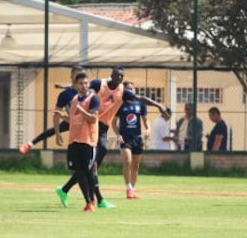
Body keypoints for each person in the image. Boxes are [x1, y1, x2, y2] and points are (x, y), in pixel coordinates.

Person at [55, 66, 169, 208]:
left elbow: (140, 98)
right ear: (111, 75)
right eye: (117, 75)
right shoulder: (99, 84)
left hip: (102, 127)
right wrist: (65, 86)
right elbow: (83, 85)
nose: (119, 78)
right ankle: (95, 199)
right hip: (90, 124)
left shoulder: (122, 92)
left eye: (121, 76)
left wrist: (158, 105)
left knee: (92, 165)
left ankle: (70, 191)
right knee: (91, 165)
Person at [18, 66, 84, 154]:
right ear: (72, 77)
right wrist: (57, 133)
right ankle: (30, 144)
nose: (81, 79)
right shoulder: (66, 94)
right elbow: (56, 114)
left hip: (88, 122)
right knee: (52, 130)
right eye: (77, 76)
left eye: (82, 76)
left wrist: (63, 85)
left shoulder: (89, 90)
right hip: (72, 121)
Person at [61, 72, 99, 212]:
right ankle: (91, 201)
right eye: (81, 83)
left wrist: (82, 110)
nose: (84, 86)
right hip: (74, 140)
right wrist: (63, 117)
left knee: (84, 171)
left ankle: (90, 202)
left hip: (88, 141)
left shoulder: (93, 98)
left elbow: (93, 119)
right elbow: (73, 120)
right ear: (76, 85)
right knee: (81, 171)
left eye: (86, 83)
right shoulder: (75, 100)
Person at [111, 81, 150, 199]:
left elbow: (145, 120)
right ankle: (128, 188)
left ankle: (132, 189)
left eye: (132, 88)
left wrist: (148, 129)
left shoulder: (140, 104)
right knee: (127, 161)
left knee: (135, 165)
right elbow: (113, 123)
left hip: (137, 138)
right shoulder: (120, 104)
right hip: (125, 138)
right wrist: (118, 135)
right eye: (128, 89)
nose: (130, 91)